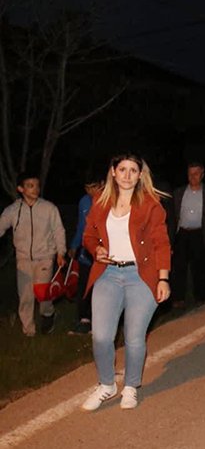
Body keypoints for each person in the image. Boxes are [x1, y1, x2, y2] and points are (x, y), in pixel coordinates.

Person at [79, 154, 171, 410]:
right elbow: (88, 235)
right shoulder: (100, 202)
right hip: (108, 274)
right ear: (113, 172)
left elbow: (161, 243)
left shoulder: (151, 205)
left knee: (133, 336)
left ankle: (131, 387)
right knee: (100, 336)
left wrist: (163, 278)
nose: (127, 175)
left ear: (140, 175)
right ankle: (107, 385)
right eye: (122, 169)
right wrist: (96, 248)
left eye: (133, 170)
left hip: (140, 276)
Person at [0, 171, 67, 336]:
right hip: (23, 259)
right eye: (30, 186)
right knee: (25, 296)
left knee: (42, 294)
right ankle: (29, 331)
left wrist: (61, 252)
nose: (35, 189)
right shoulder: (13, 210)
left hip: (45, 257)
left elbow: (59, 230)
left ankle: (48, 314)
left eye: (36, 185)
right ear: (20, 189)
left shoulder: (49, 208)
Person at [170, 162, 205, 308]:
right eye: (190, 174)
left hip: (200, 233)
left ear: (202, 174)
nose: (193, 177)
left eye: (196, 173)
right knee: (179, 267)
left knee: (200, 267)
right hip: (182, 233)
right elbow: (172, 216)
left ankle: (200, 297)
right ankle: (178, 298)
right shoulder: (179, 193)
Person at [67, 178, 104, 335]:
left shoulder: (109, 199)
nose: (91, 191)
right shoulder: (84, 201)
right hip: (86, 253)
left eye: (94, 187)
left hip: (104, 253)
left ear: (102, 184)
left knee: (101, 288)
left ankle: (100, 322)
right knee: (84, 286)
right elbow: (81, 226)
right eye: (87, 187)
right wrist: (74, 245)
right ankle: (84, 320)